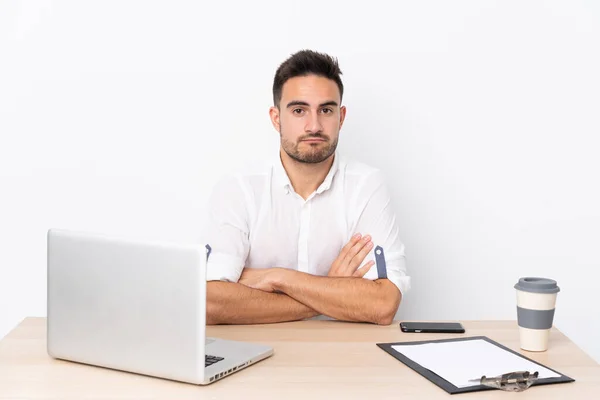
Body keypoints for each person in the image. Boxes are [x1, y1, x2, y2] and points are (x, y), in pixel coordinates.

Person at [204, 49, 410, 325]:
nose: (314, 125)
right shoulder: (238, 188)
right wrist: (329, 288)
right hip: (254, 355)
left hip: (342, 356)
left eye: (326, 110)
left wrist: (279, 277)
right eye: (299, 110)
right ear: (276, 117)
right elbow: (211, 303)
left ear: (341, 117)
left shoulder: (366, 185)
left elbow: (383, 304)